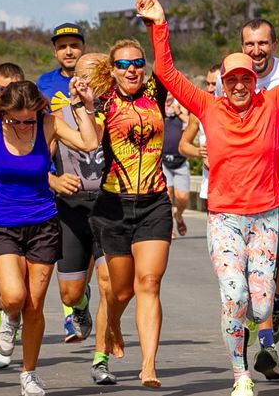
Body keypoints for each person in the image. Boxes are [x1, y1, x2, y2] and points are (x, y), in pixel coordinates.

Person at [138, 0, 279, 396]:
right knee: (234, 293)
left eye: (246, 77)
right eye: (232, 79)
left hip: (266, 218)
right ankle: (239, 373)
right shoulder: (208, 107)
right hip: (225, 218)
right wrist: (159, 25)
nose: (240, 85)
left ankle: (258, 328)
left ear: (254, 78)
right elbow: (167, 74)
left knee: (261, 305)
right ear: (223, 82)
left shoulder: (274, 102)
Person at [0, 79, 98, 396]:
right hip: (4, 224)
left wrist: (84, 106)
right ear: (5, 113)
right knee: (13, 297)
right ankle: (8, 318)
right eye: (18, 120)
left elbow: (89, 143)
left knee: (35, 306)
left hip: (43, 225)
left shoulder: (49, 124)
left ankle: (29, 373)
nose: (25, 126)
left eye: (30, 119)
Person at [214, 17, 279, 380]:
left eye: (262, 44)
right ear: (242, 47)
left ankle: (275, 309)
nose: (255, 51)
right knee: (241, 276)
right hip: (245, 189)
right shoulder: (230, 77)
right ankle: (264, 342)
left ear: (273, 45)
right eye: (249, 45)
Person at [82, 37, 172, 388]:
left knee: (148, 282)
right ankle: (111, 328)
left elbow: (166, 60)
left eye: (137, 63)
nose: (131, 69)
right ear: (112, 70)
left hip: (154, 202)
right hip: (113, 206)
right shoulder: (102, 103)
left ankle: (148, 365)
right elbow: (91, 141)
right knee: (119, 291)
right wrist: (88, 108)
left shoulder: (156, 95)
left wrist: (156, 22)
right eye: (122, 64)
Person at [52, 52, 121, 385]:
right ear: (72, 80)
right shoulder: (55, 118)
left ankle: (101, 358)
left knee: (111, 286)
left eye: (98, 78)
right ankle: (79, 304)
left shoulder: (118, 115)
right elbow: (35, 162)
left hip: (109, 207)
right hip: (71, 208)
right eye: (82, 76)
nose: (88, 84)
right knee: (69, 294)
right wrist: (53, 181)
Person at [179, 64, 221, 212]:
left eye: (214, 84)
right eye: (208, 84)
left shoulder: (242, 109)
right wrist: (199, 152)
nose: (209, 89)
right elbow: (183, 145)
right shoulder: (199, 111)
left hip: (242, 188)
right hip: (212, 188)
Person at [37, 22, 84, 112]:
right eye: (62, 47)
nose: (69, 52)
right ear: (55, 52)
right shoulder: (43, 81)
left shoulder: (97, 80)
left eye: (74, 46)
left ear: (83, 47)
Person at [162, 93, 190, 237]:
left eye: (169, 93)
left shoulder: (181, 107)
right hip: (163, 161)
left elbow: (192, 123)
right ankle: (169, 226)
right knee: (167, 195)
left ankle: (178, 215)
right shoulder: (159, 107)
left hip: (181, 161)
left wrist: (178, 113)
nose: (167, 96)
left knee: (182, 197)